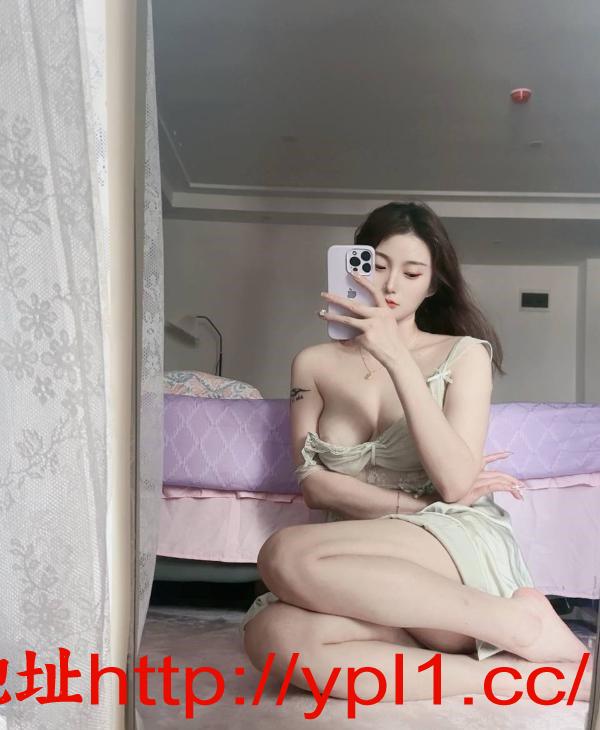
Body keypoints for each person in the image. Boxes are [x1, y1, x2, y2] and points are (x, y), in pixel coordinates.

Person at [241, 202, 591, 702]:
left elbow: (454, 483)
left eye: (411, 273)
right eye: (378, 265)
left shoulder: (465, 354)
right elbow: (314, 487)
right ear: (354, 266)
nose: (390, 285)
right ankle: (538, 680)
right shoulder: (313, 364)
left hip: (449, 546)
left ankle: (520, 624)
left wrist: (396, 358)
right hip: (360, 566)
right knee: (273, 637)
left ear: (431, 286)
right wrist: (416, 505)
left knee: (283, 553)